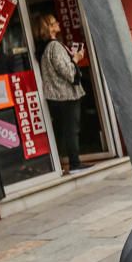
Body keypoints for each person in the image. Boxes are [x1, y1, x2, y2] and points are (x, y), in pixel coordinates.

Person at [34, 13, 88, 174]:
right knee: (72, 129)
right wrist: (76, 58)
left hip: (54, 95)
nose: (58, 23)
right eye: (54, 22)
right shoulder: (54, 46)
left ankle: (54, 165)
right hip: (64, 94)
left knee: (60, 129)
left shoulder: (41, 48)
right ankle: (75, 163)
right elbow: (65, 70)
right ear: (49, 28)